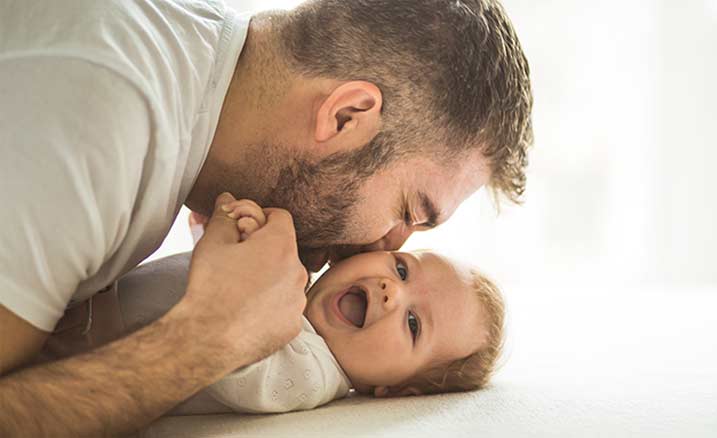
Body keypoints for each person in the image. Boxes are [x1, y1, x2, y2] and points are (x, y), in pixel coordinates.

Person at [0, 0, 532, 435]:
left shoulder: (180, 58)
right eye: (409, 210)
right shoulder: (95, 126)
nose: (384, 246)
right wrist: (203, 340)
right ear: (346, 117)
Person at [41, 240, 505, 414]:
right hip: (76, 297)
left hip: (77, 351)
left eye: (412, 323)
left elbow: (232, 356)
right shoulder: (293, 277)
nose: (390, 290)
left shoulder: (311, 372)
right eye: (403, 270)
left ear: (394, 391)